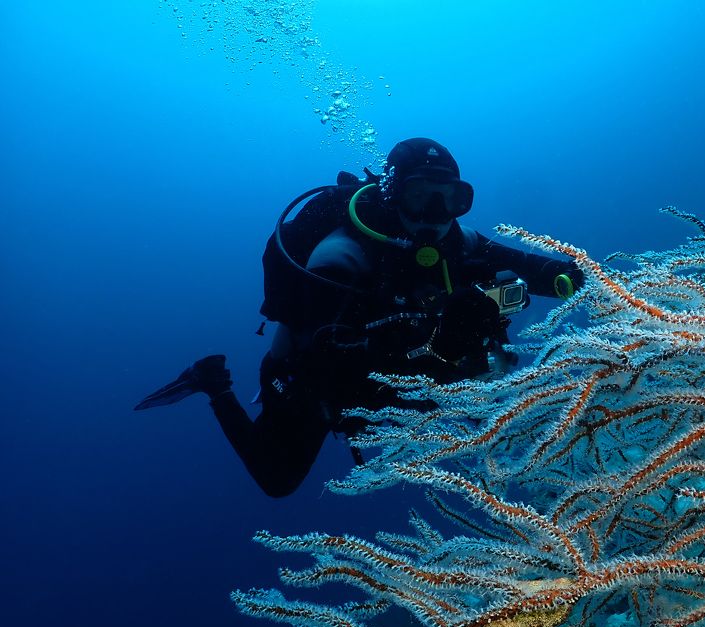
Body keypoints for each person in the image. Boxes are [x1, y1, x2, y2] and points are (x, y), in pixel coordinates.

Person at [136, 137, 583, 497]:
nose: (434, 213)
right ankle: (212, 382)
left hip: (421, 374)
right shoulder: (340, 256)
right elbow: (325, 363)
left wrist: (562, 273)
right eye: (420, 195)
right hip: (316, 382)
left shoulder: (458, 239)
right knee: (277, 481)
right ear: (394, 194)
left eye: (449, 198)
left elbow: (531, 268)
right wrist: (433, 336)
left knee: (494, 397)